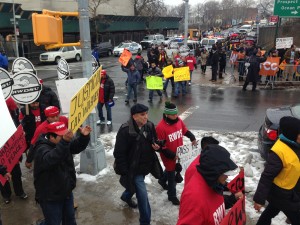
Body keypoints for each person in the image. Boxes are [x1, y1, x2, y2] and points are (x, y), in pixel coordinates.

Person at [33, 122, 91, 225]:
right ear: (51, 137)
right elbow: (51, 160)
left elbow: (75, 147)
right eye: (61, 136)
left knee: (70, 221)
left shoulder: (63, 143)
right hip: (50, 197)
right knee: (53, 222)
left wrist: (84, 137)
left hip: (66, 191)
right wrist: (64, 142)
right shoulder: (41, 149)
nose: (66, 137)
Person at [113, 104, 163, 225]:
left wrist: (157, 145)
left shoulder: (149, 125)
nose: (146, 117)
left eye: (146, 113)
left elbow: (154, 140)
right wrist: (126, 172)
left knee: (133, 186)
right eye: (142, 114)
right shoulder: (125, 130)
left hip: (146, 165)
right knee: (142, 196)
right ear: (134, 116)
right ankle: (145, 222)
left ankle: (126, 196)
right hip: (133, 170)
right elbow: (119, 153)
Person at [177, 145, 242, 225]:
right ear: (214, 172)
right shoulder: (194, 199)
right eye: (225, 173)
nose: (227, 176)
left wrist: (233, 198)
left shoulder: (213, 183)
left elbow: (212, 206)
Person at [253, 116, 300, 225]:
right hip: (284, 194)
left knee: (271, 211)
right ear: (292, 134)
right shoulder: (278, 152)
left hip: (291, 190)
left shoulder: (295, 144)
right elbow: (267, 177)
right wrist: (259, 199)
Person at [156, 102, 197, 205]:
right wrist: (172, 155)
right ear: (166, 114)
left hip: (179, 152)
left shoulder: (178, 121)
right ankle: (172, 196)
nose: (176, 116)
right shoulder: (160, 128)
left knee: (171, 170)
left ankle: (161, 180)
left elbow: (185, 130)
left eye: (176, 114)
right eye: (173, 114)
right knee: (172, 175)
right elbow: (161, 147)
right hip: (169, 156)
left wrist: (192, 137)